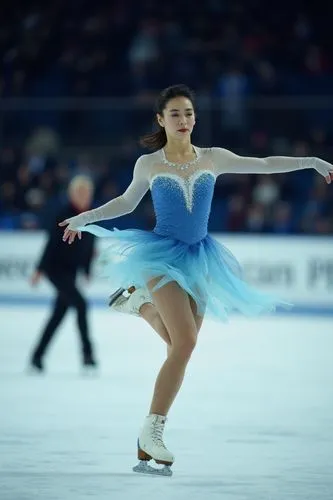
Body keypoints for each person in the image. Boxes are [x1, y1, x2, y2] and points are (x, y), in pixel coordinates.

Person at [59, 84, 333, 475]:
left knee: (179, 345)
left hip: (200, 259)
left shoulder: (214, 158)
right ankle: (152, 430)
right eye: (175, 114)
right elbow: (125, 202)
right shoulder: (148, 164)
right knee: (185, 342)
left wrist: (310, 161)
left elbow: (265, 163)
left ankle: (138, 304)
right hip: (160, 257)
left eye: (188, 113)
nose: (183, 120)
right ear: (161, 120)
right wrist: (84, 218)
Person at [29, 175, 97, 373]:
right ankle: (88, 354)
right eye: (79, 192)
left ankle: (37, 356)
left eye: (86, 192)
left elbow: (90, 245)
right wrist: (39, 270)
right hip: (55, 269)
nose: (83, 196)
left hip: (71, 272)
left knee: (58, 314)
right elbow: (51, 244)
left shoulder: (92, 215)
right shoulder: (63, 215)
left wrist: (87, 269)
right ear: (71, 194)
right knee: (82, 305)